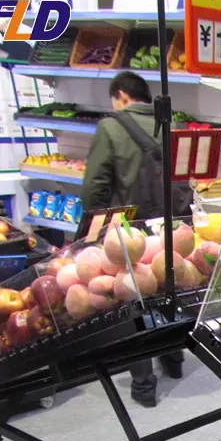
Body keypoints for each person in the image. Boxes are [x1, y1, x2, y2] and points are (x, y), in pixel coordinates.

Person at [82, 71, 183, 408]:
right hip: (173, 228)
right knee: (171, 288)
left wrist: (95, 236)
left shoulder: (110, 128)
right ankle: (174, 359)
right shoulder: (174, 125)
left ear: (122, 96)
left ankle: (143, 384)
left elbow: (95, 186)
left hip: (131, 231)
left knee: (134, 301)